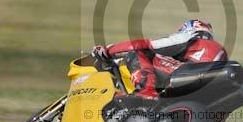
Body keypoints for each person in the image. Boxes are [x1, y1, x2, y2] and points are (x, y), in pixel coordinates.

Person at [92, 19, 227, 100]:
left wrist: (108, 51)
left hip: (189, 74)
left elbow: (143, 44)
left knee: (137, 52)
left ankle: (147, 91)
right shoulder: (213, 49)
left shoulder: (190, 37)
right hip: (204, 91)